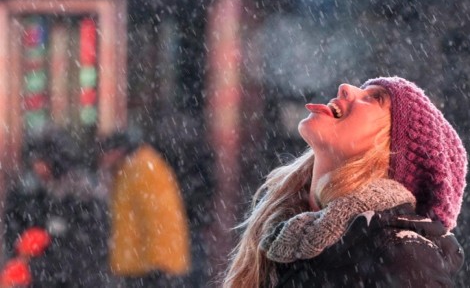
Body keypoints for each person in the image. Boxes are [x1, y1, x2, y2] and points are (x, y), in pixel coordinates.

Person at [224, 76, 467, 287]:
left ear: (390, 153)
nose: (345, 88)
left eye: (375, 98)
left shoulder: (404, 257)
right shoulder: (281, 235)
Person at [4, 126, 110, 287]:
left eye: (40, 162)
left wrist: (35, 267)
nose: (37, 168)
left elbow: (81, 252)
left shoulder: (80, 196)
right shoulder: (47, 193)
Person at [98, 130, 191, 288]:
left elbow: (158, 217)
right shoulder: (130, 169)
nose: (102, 160)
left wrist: (159, 263)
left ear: (117, 151)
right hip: (141, 262)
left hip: (148, 265)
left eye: (105, 154)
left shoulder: (141, 168)